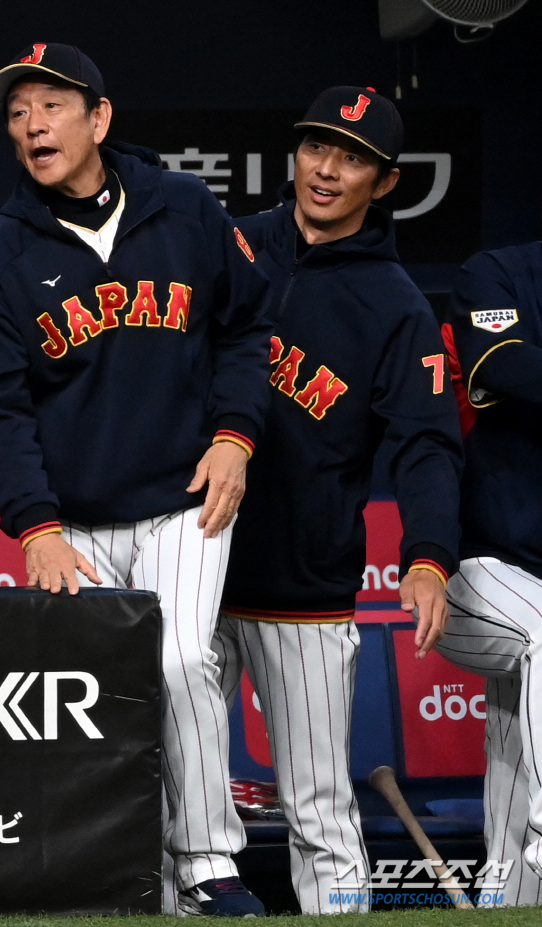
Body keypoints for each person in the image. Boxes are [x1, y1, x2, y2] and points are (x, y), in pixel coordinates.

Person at [0, 42, 271, 917]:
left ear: (99, 118)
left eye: (50, 106)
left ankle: (208, 863)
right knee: (95, 688)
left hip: (184, 499)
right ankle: (124, 873)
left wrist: (238, 435)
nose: (31, 125)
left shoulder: (185, 207)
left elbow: (246, 330)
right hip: (75, 522)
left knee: (175, 662)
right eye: (17, 114)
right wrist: (36, 525)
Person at [213, 86, 463, 914]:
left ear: (386, 182)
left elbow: (427, 443)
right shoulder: (231, 246)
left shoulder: (394, 305)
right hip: (194, 567)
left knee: (319, 809)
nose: (327, 168)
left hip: (304, 586)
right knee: (187, 806)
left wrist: (427, 555)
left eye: (353, 156)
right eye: (318, 145)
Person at [436, 243, 542, 907]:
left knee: (514, 724)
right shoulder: (499, 272)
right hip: (478, 567)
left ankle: (508, 897)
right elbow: (501, 361)